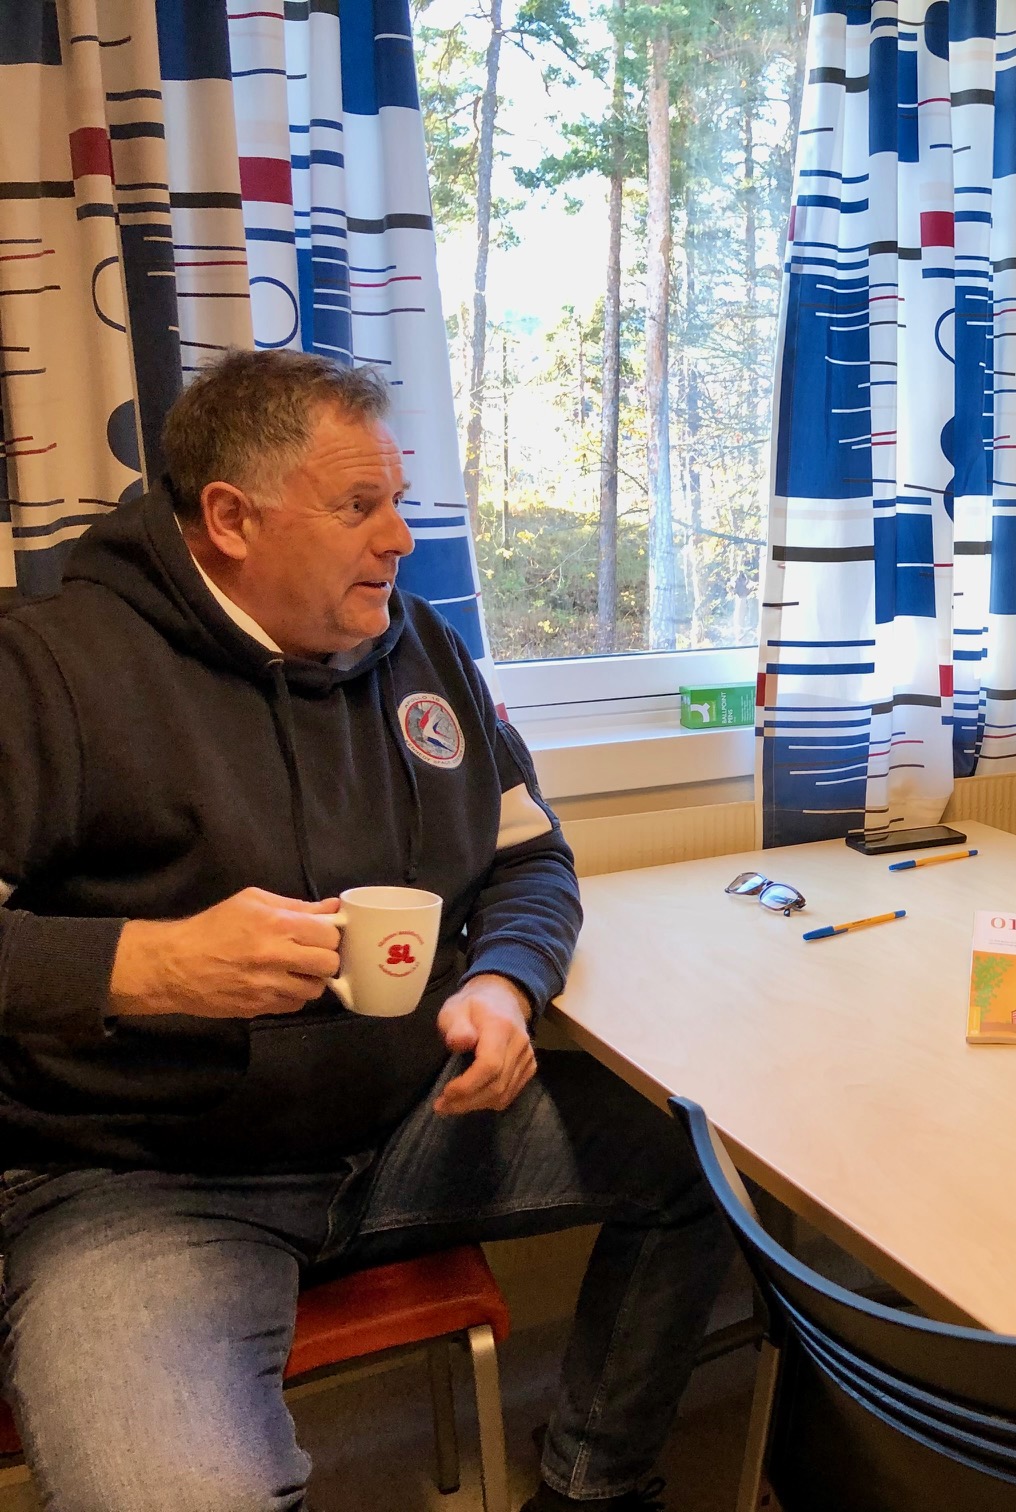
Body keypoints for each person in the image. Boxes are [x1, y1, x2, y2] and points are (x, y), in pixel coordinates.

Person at [0, 350, 730, 1512]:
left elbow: (530, 856)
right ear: (232, 520)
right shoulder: (49, 670)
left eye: (397, 501)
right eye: (359, 507)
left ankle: (595, 1486)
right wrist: (143, 964)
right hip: (143, 1182)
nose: (399, 538)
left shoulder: (420, 648)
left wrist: (504, 987)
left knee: (707, 1165)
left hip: (411, 1125)